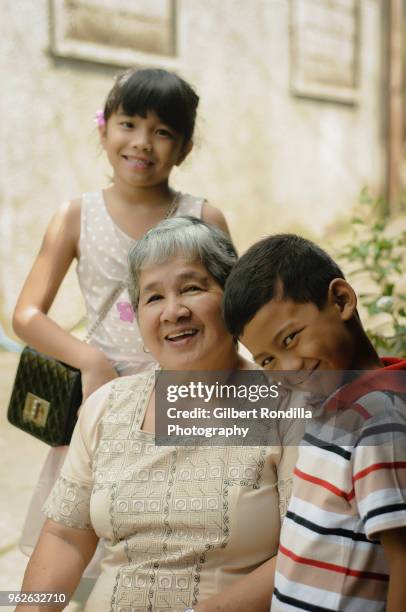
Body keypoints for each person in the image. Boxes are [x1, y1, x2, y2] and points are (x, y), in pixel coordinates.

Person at [17, 218, 297, 612]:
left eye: (192, 288)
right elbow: (66, 536)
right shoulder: (107, 407)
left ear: (231, 298)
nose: (173, 311)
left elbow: (306, 552)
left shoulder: (286, 407)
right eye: (152, 298)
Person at [12, 68, 229, 562]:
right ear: (104, 129)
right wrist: (90, 361)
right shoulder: (75, 216)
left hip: (184, 402)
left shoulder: (203, 218)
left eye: (163, 131)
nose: (142, 143)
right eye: (129, 124)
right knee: (82, 538)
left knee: (174, 534)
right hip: (100, 404)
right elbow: (25, 315)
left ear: (185, 147)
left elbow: (227, 313)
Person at [223, 233, 406, 611]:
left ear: (341, 300)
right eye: (267, 361)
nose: (287, 369)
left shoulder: (380, 422)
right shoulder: (332, 405)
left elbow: (404, 559)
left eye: (290, 339)